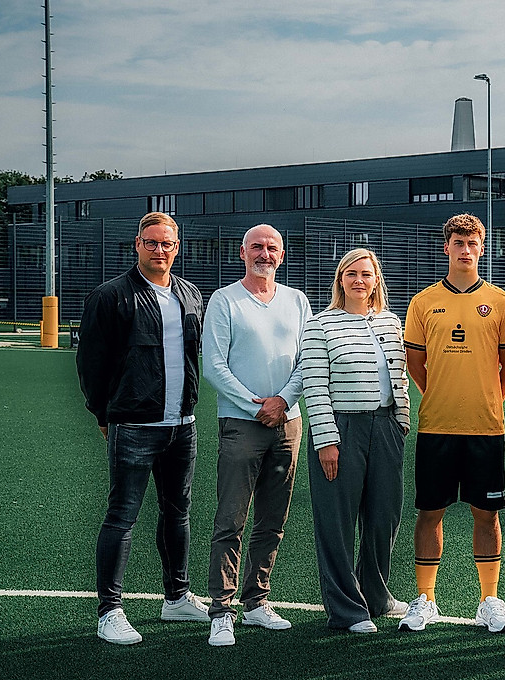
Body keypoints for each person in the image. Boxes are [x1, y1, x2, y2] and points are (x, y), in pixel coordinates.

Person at [77, 211, 208, 645]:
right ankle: (109, 611)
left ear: (177, 247)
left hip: (182, 426)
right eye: (151, 243)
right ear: (137, 244)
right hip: (133, 424)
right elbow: (92, 364)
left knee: (178, 513)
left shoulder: (190, 295)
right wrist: (104, 415)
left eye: (167, 243)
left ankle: (177, 597)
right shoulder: (110, 296)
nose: (159, 250)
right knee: (122, 516)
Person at [400, 213, 505, 633]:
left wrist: (487, 396)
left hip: (486, 427)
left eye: (473, 243)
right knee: (429, 512)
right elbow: (416, 364)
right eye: (458, 242)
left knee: (486, 514)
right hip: (436, 426)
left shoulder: (503, 303)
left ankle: (489, 600)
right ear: (446, 247)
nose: (465, 250)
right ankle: (425, 599)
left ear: (482, 248)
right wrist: (442, 393)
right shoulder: (422, 301)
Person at [201, 224, 312, 646]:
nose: (264, 254)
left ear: (281, 255)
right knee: (231, 518)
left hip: (288, 423)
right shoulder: (225, 300)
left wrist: (282, 401)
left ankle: (257, 602)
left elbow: (307, 359)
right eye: (257, 247)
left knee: (273, 519)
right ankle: (221, 610)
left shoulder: (297, 301)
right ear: (242, 252)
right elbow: (214, 365)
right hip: (241, 424)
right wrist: (257, 406)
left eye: (272, 248)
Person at [299, 248, 410, 633]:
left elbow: (399, 377)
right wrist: (327, 440)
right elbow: (314, 386)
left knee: (385, 516)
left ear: (376, 279)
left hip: (386, 428)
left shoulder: (391, 322)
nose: (359, 280)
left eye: (366, 274)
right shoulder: (320, 325)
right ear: (340, 280)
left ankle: (376, 596)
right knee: (337, 521)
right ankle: (347, 610)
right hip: (342, 429)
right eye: (351, 274)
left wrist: (401, 423)